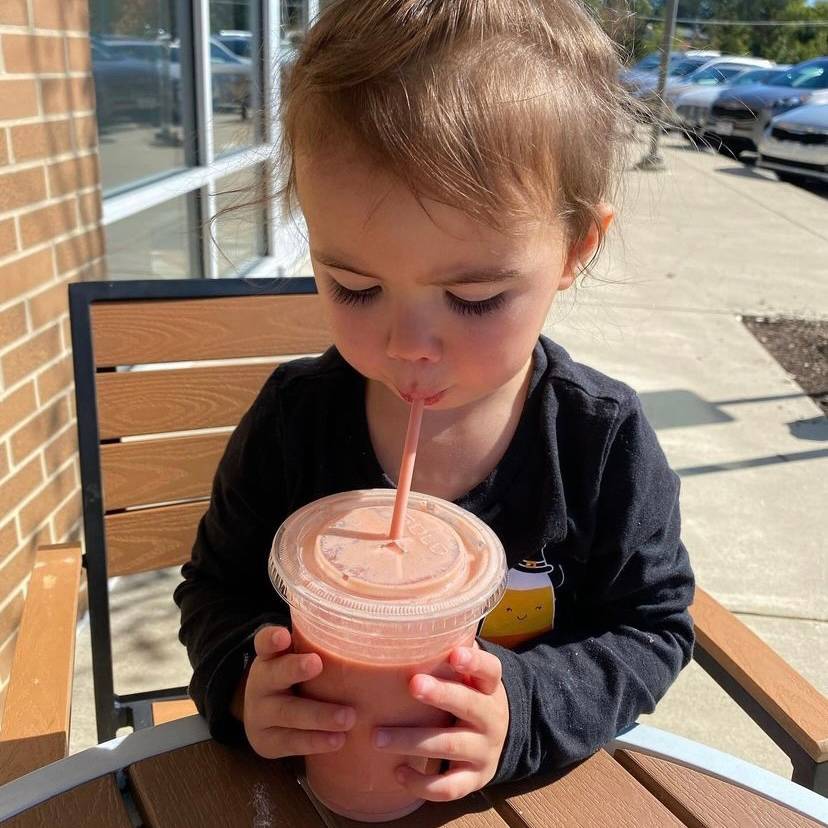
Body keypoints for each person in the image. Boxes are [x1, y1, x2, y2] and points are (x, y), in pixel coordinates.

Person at [174, 0, 695, 803]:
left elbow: (651, 628)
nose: (409, 345)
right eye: (354, 286)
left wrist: (521, 710)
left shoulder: (598, 445)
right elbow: (216, 588)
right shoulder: (295, 422)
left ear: (574, 249)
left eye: (476, 296)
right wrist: (243, 683)